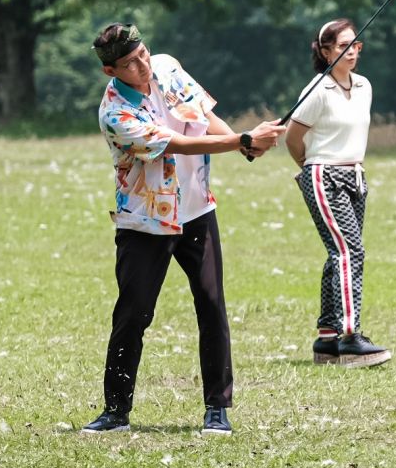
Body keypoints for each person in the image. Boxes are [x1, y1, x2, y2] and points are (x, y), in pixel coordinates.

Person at [83, 23, 285, 436]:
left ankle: (217, 409)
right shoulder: (114, 113)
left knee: (212, 305)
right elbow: (177, 143)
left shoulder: (167, 67)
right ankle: (116, 411)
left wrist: (242, 142)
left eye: (143, 55)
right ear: (110, 72)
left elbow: (201, 116)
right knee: (133, 315)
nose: (143, 66)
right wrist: (243, 138)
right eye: (130, 64)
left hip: (197, 211)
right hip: (146, 222)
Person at [285, 19, 391, 368]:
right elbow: (293, 138)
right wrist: (310, 166)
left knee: (339, 254)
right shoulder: (317, 91)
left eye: (356, 45)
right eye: (344, 46)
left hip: (355, 175)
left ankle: (328, 338)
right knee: (350, 252)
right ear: (326, 50)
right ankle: (350, 336)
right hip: (323, 175)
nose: (352, 51)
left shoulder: (363, 86)